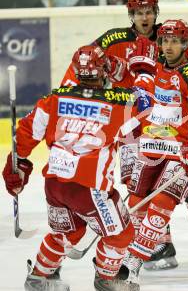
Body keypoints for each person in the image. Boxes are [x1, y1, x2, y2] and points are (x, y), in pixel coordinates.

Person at [60, 0, 188, 271]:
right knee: (137, 194)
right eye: (139, 13)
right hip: (142, 134)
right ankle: (158, 246)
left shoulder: (182, 55)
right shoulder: (122, 45)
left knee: (177, 193)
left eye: (148, 12)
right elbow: (92, 64)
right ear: (131, 15)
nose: (145, 18)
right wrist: (68, 94)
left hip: (178, 139)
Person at [2, 45, 147, 290]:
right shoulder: (121, 104)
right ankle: (107, 279)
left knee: (70, 234)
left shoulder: (55, 98)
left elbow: (25, 135)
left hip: (55, 185)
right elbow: (145, 120)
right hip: (89, 188)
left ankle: (39, 277)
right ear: (103, 72)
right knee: (121, 234)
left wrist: (17, 167)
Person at [120, 19, 188, 281]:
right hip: (152, 146)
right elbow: (142, 109)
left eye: (175, 41)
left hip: (182, 150)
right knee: (136, 201)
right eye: (165, 40)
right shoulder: (153, 71)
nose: (169, 46)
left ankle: (134, 260)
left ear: (185, 43)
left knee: (161, 203)